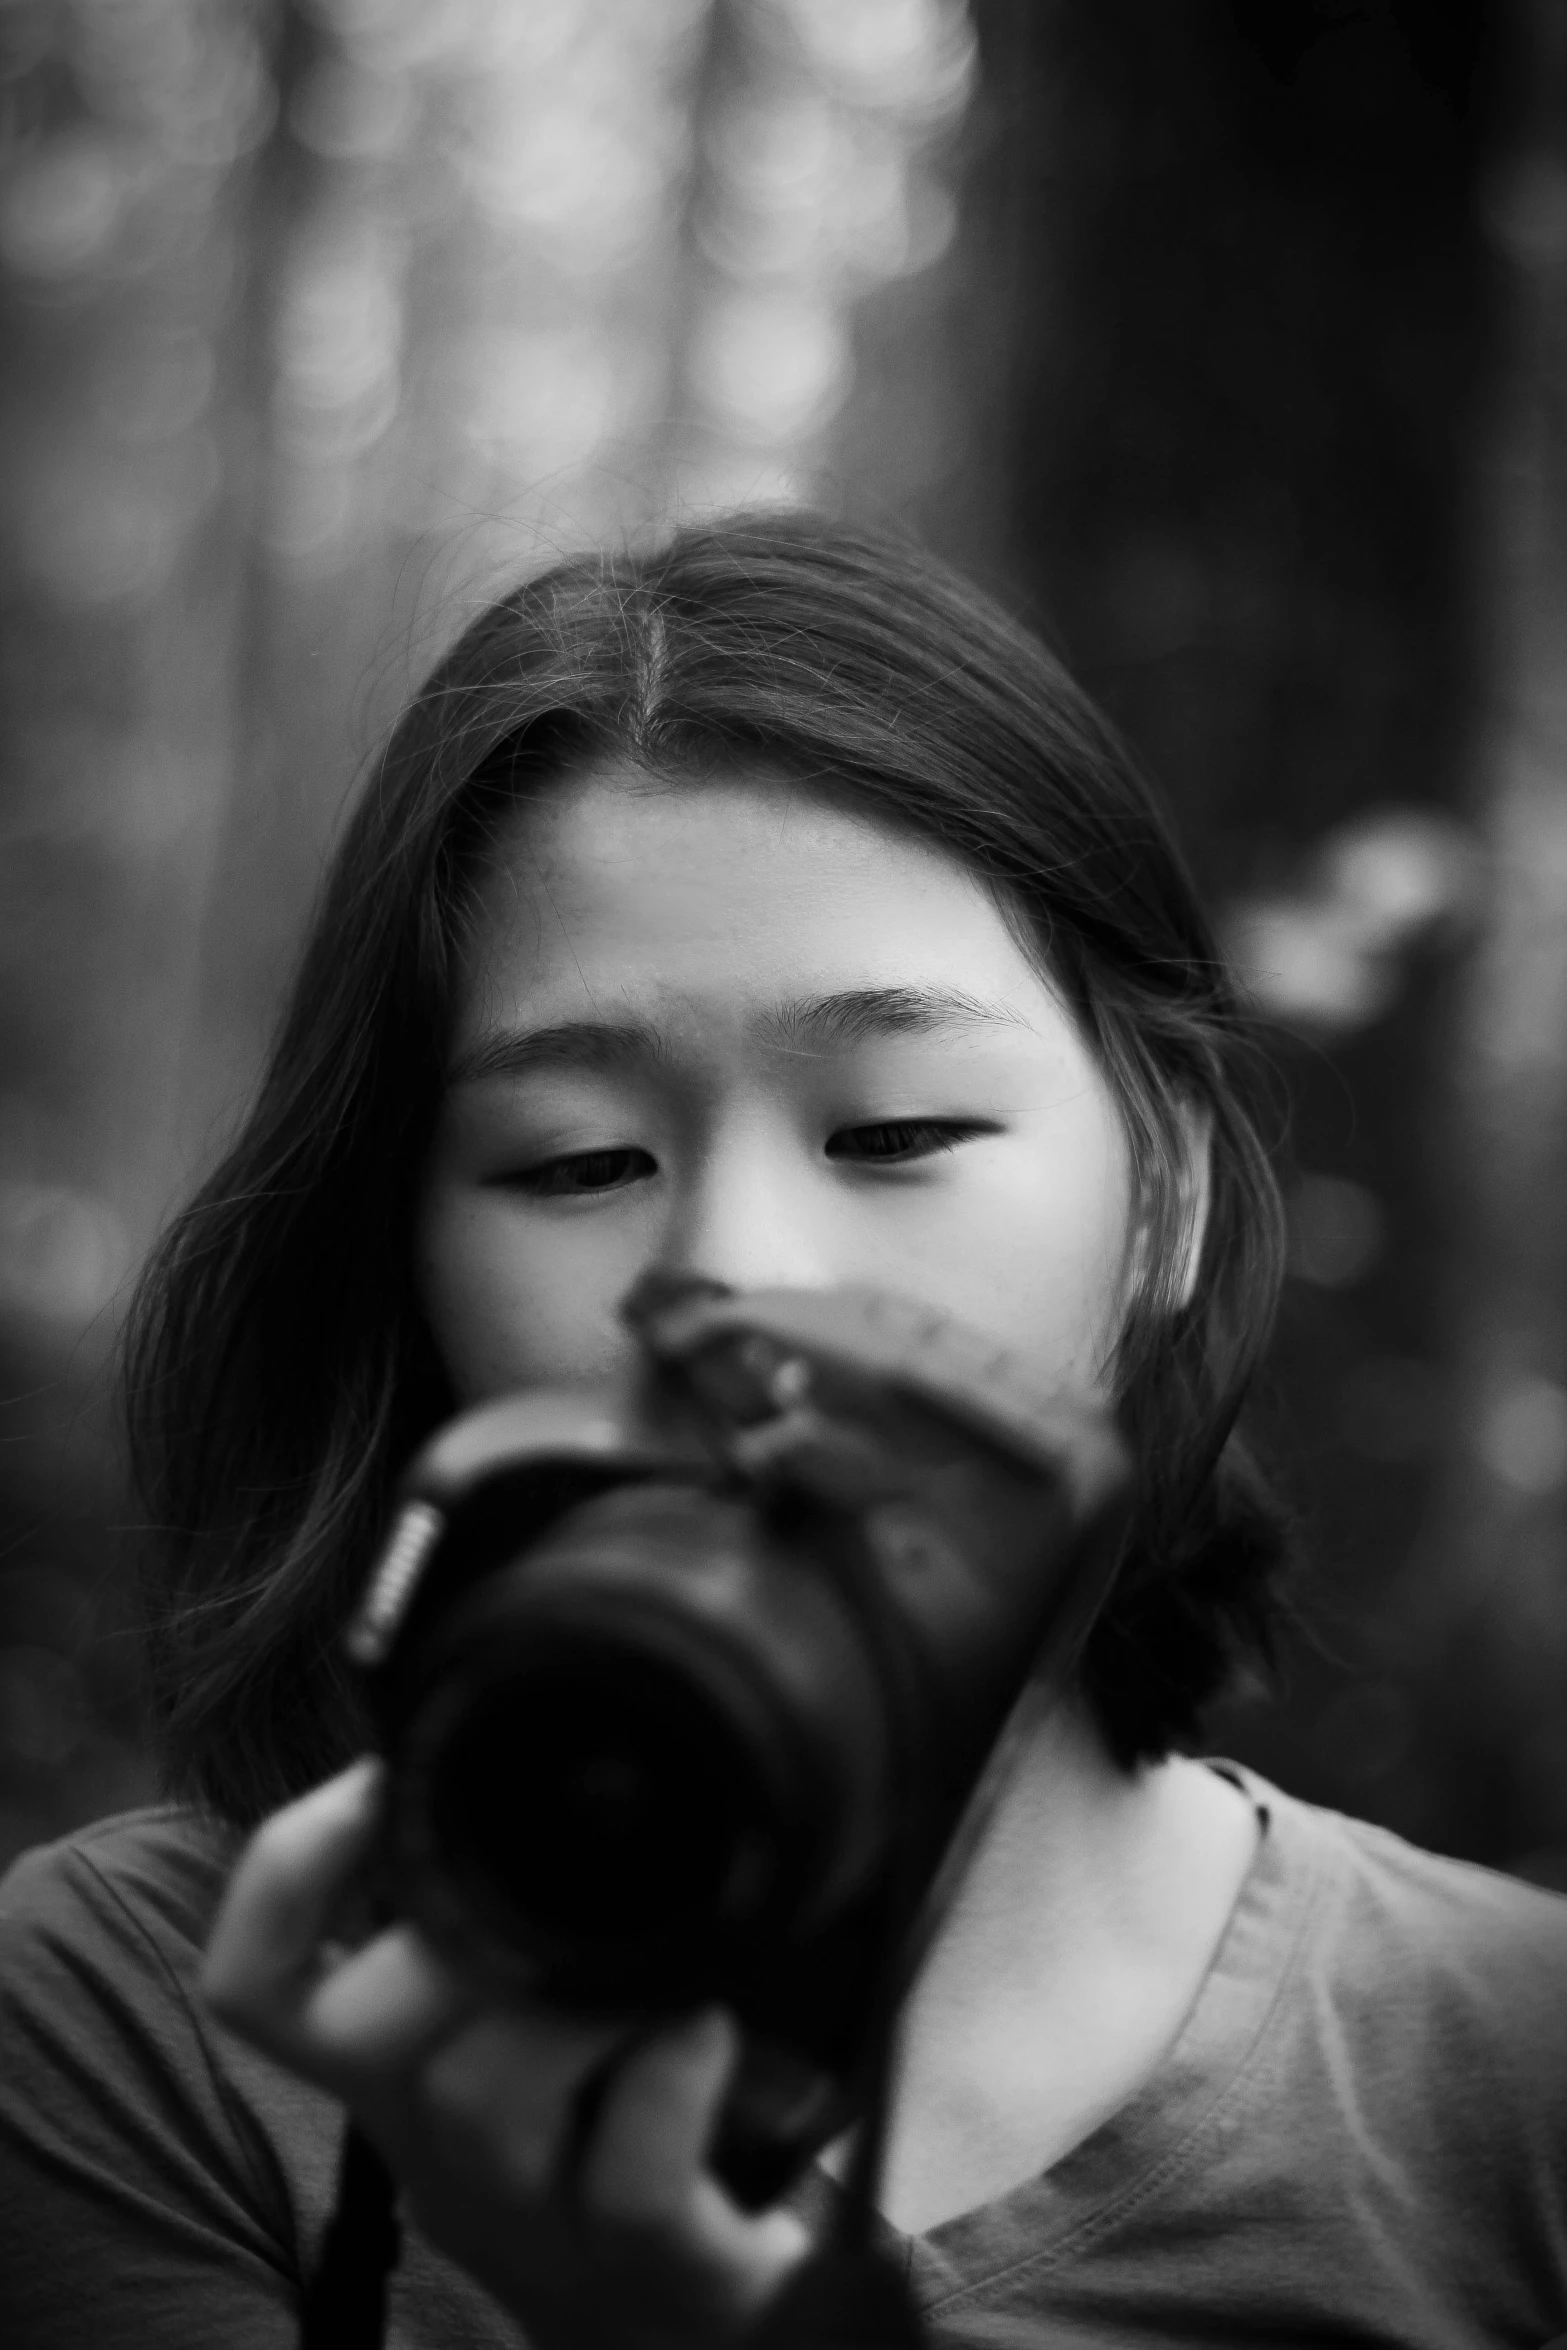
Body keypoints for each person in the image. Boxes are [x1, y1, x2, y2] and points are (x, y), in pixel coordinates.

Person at [1, 512, 1565, 2350]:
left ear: (1174, 1202)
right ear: (405, 1259)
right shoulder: (146, 2021)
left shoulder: (1513, 2073)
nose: (731, 1281)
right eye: (579, 1160)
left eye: (894, 1131)